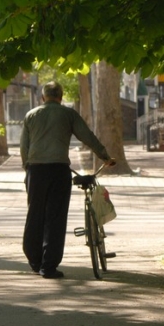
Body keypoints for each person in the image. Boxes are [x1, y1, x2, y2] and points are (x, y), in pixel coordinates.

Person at [20, 81, 115, 279]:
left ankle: (34, 260)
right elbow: (87, 136)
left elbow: (24, 147)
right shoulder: (68, 114)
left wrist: (27, 168)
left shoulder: (31, 115)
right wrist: (104, 156)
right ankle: (49, 266)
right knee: (55, 217)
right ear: (61, 97)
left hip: (36, 171)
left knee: (35, 214)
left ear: (43, 97)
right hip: (58, 170)